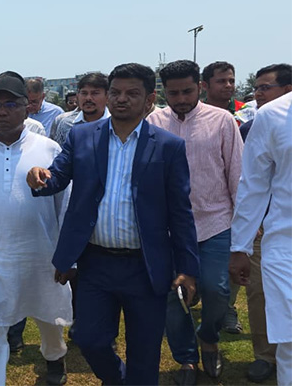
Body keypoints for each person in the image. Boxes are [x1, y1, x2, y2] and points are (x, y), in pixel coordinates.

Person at [27, 63, 199, 386]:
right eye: (116, 92)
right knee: (88, 338)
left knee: (144, 352)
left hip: (146, 267)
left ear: (149, 100)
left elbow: (181, 212)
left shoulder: (168, 146)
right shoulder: (82, 136)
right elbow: (57, 176)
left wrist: (187, 268)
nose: (121, 99)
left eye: (132, 93)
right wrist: (39, 177)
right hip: (96, 264)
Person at [0, 75, 71, 386]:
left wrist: (67, 257)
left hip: (40, 252)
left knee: (48, 314)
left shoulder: (49, 149)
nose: (2, 112)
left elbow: (64, 206)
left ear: (26, 108)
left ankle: (55, 356)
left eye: (10, 104)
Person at [146, 59, 243, 385]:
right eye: (173, 93)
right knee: (173, 298)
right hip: (168, 228)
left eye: (187, 91)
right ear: (163, 91)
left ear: (199, 87)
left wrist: (244, 222)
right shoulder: (154, 122)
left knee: (217, 290)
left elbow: (237, 173)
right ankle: (186, 359)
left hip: (215, 221)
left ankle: (209, 337)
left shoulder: (222, 120)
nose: (181, 99)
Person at [228, 90, 292, 386]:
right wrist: (240, 246)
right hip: (284, 245)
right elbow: (253, 184)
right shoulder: (273, 114)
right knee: (289, 341)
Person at [50, 72, 109, 147]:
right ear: (77, 96)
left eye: (94, 93)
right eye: (84, 93)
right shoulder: (67, 124)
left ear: (107, 96)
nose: (88, 98)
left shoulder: (115, 124)